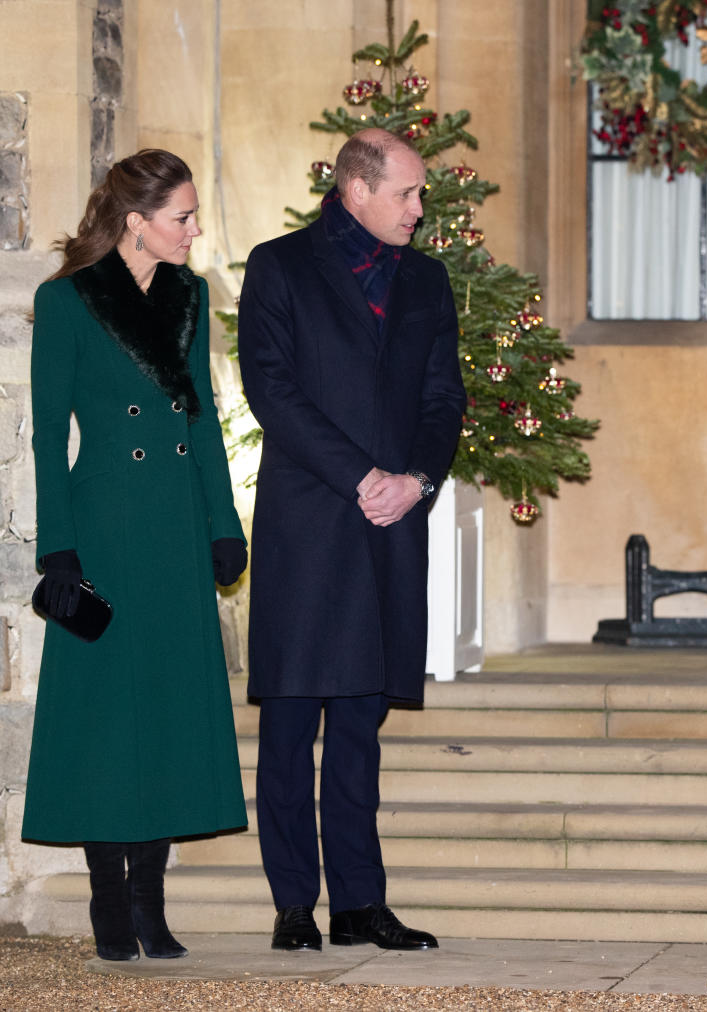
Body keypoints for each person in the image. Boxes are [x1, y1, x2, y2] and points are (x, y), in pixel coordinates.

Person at [237, 127, 465, 953]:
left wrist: (414, 481)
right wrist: (360, 475)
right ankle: (295, 904)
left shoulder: (428, 280)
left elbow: (445, 400)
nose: (419, 207)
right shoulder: (279, 266)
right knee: (292, 724)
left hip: (391, 527)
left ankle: (361, 904)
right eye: (407, 193)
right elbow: (273, 389)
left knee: (361, 727)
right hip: (310, 525)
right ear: (357, 191)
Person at [24, 149, 248, 961]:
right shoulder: (68, 301)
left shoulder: (190, 297)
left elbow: (203, 420)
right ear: (137, 222)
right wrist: (59, 548)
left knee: (167, 708)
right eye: (182, 216)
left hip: (177, 529)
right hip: (107, 527)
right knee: (105, 715)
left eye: (192, 215)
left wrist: (224, 523)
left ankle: (152, 904)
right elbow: (50, 435)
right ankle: (108, 901)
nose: (193, 229)